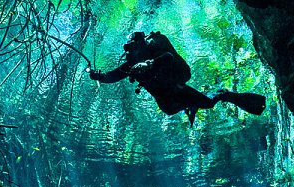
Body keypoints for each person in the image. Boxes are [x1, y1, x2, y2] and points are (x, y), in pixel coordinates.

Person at [87, 31, 265, 125]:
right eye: (129, 47)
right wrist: (98, 75)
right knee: (170, 110)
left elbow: (168, 58)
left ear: (142, 44)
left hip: (175, 87)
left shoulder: (155, 50)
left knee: (209, 103)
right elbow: (112, 77)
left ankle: (224, 94)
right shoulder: (130, 64)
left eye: (134, 45)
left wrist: (150, 64)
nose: (130, 50)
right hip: (165, 98)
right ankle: (191, 104)